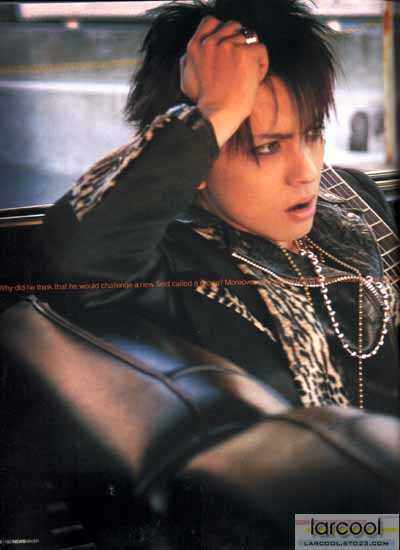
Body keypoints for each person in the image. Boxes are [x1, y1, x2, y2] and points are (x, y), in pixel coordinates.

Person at [42, 0, 399, 416]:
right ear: (198, 156)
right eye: (267, 147)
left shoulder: (353, 195)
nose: (307, 172)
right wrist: (215, 109)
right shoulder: (174, 264)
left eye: (313, 133)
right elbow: (78, 253)